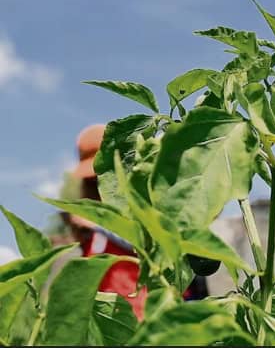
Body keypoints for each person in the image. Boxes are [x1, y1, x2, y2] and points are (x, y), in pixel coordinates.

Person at [61, 124, 210, 320]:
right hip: (111, 323)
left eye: (102, 175)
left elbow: (151, 245)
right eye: (92, 180)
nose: (97, 184)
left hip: (150, 316)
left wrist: (98, 225)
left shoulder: (140, 199)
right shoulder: (92, 211)